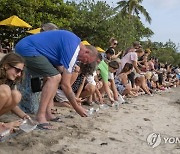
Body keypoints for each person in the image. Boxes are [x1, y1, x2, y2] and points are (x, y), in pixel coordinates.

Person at [15, 30, 98, 129]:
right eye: (86, 60)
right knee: (54, 77)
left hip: (30, 48)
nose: (84, 62)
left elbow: (60, 68)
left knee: (53, 74)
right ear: (86, 51)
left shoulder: (73, 42)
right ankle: (40, 116)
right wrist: (76, 107)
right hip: (27, 49)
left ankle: (48, 112)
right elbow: (65, 85)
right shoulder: (73, 49)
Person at [0, 53, 30, 133]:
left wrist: (24, 116)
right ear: (6, 66)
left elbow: (10, 104)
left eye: (21, 71)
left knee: (16, 95)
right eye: (17, 70)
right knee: (5, 89)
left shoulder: (9, 80)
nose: (19, 74)